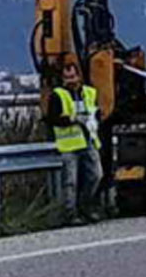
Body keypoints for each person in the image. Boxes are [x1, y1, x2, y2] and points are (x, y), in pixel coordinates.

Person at [45, 63, 104, 224]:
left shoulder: (88, 93)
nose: (71, 80)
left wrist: (96, 119)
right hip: (69, 145)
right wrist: (71, 120)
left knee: (96, 175)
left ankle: (85, 207)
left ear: (79, 76)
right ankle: (70, 214)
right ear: (62, 79)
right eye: (67, 77)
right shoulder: (58, 95)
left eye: (73, 76)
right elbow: (52, 119)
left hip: (89, 140)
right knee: (70, 181)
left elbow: (97, 112)